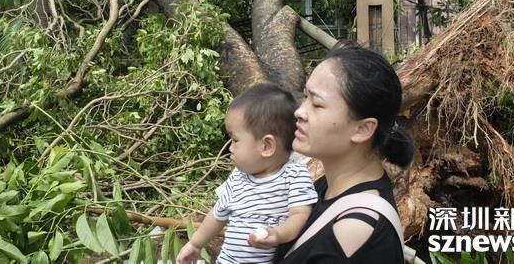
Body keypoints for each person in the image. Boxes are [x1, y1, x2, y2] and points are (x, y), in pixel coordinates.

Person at [273, 41, 414, 263]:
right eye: (305, 97)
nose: (299, 112)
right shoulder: (324, 187)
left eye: (317, 104)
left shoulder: (354, 229)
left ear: (362, 129)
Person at [176, 83, 318, 264]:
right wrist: (195, 244)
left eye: (235, 140)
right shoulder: (237, 177)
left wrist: (277, 234)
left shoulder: (294, 175)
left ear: (266, 146)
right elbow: (217, 215)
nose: (230, 148)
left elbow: (299, 215)